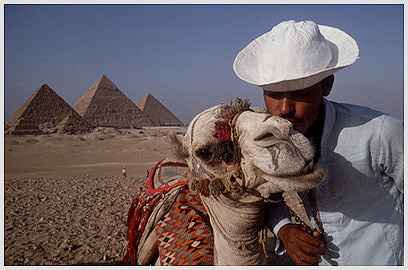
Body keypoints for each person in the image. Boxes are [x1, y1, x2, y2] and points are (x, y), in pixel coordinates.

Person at [233, 20, 403, 266]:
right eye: (273, 93)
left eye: (300, 94)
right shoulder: (273, 138)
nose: (284, 109)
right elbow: (266, 192)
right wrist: (284, 230)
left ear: (327, 85)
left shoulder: (379, 132)